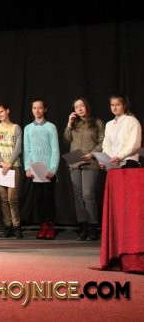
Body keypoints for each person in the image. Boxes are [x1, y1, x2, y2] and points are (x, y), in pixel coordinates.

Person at [63, 97, 105, 241]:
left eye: (81, 106)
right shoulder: (74, 123)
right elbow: (66, 139)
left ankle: (93, 227)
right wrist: (69, 123)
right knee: (78, 195)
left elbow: (102, 142)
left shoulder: (97, 122)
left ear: (87, 106)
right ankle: (83, 227)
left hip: (90, 161)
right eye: (76, 107)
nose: (79, 109)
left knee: (88, 195)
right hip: (74, 161)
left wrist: (93, 153)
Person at [23, 98, 60, 240]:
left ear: (44, 109)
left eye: (39, 108)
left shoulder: (51, 127)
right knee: (38, 198)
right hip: (35, 168)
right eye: (34, 108)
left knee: (48, 197)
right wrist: (27, 168)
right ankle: (43, 225)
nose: (37, 110)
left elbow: (55, 149)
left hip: (48, 168)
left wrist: (53, 169)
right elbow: (27, 150)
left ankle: (50, 226)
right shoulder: (28, 128)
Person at [0, 103, 23, 238]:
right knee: (3, 199)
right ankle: (8, 226)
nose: (0, 115)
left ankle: (17, 226)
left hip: (13, 166)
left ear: (7, 111)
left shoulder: (16, 128)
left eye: (1, 112)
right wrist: (2, 162)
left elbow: (18, 148)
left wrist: (9, 164)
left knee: (12, 198)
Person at [101, 94, 142, 169]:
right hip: (112, 162)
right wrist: (104, 160)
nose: (114, 108)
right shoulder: (109, 124)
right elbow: (106, 145)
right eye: (112, 105)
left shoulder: (132, 121)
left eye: (118, 105)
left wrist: (119, 157)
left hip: (128, 161)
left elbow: (134, 144)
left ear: (124, 105)